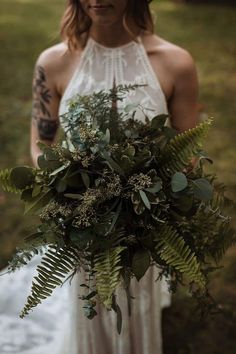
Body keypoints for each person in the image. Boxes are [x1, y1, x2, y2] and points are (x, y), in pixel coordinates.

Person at [31, 0, 198, 353]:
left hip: (144, 219)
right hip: (82, 219)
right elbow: (41, 141)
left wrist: (155, 197)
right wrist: (64, 188)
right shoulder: (53, 62)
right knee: (89, 306)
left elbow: (188, 150)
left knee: (138, 299)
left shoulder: (175, 62)